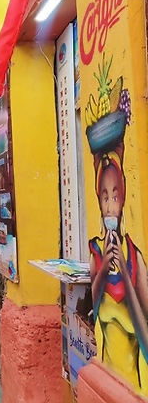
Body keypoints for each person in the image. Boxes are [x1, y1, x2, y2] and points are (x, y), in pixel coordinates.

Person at [89, 142, 148, 390]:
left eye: (115, 197)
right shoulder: (95, 251)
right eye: (105, 198)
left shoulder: (134, 257)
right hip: (106, 378)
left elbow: (145, 334)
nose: (110, 206)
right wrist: (103, 270)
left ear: (122, 200)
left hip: (134, 387)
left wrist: (124, 270)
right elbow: (91, 309)